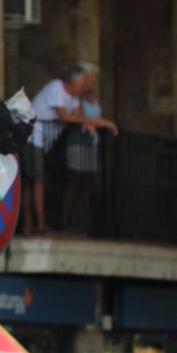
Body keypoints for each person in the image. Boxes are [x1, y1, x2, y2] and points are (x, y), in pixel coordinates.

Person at [23, 63, 114, 236]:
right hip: (32, 137)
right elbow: (65, 116)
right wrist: (94, 122)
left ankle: (31, 224)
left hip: (42, 142)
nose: (85, 86)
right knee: (36, 180)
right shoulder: (56, 88)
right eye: (83, 82)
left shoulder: (74, 98)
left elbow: (79, 116)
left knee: (33, 181)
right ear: (73, 82)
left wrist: (92, 122)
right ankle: (38, 225)